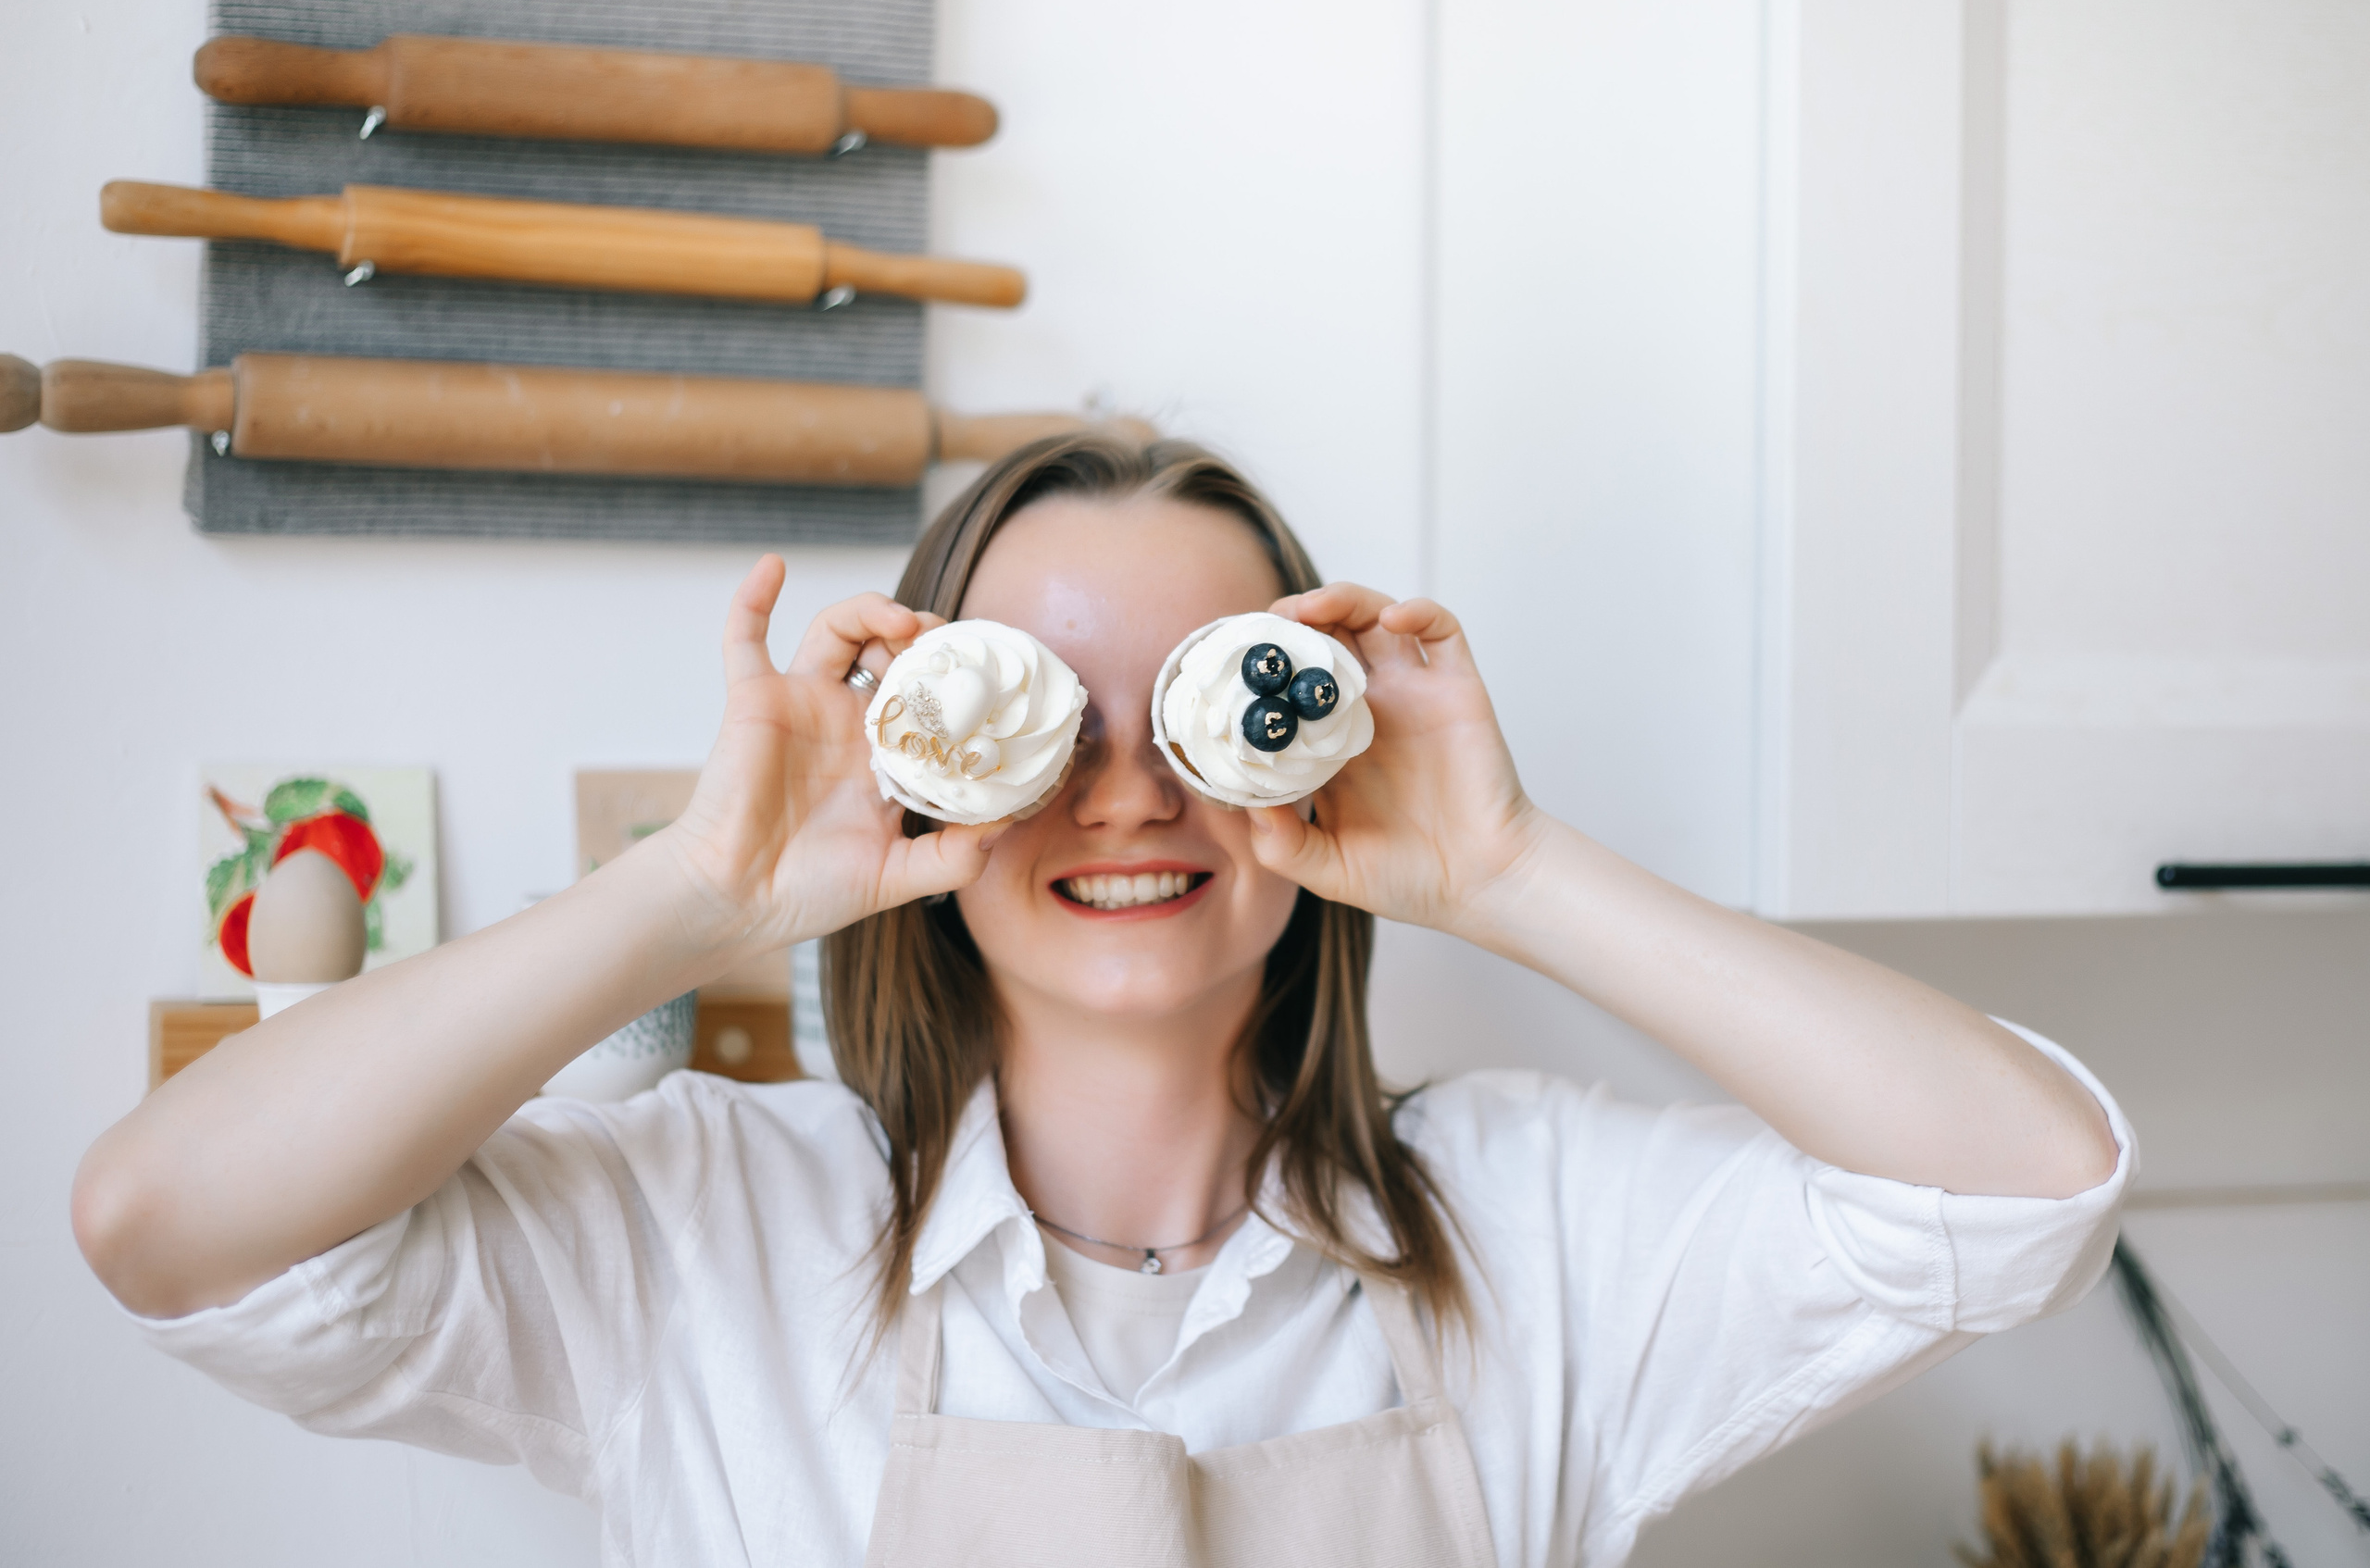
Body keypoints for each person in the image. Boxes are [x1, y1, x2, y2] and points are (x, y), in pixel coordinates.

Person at [74, 436, 2127, 1567]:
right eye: (1042, 712)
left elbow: (2022, 1182)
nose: (1128, 783)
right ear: (924, 760)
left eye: (1204, 709)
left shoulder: (1530, 1231)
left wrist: (1507, 863)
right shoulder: (699, 1230)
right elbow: (166, 1222)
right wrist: (697, 883)